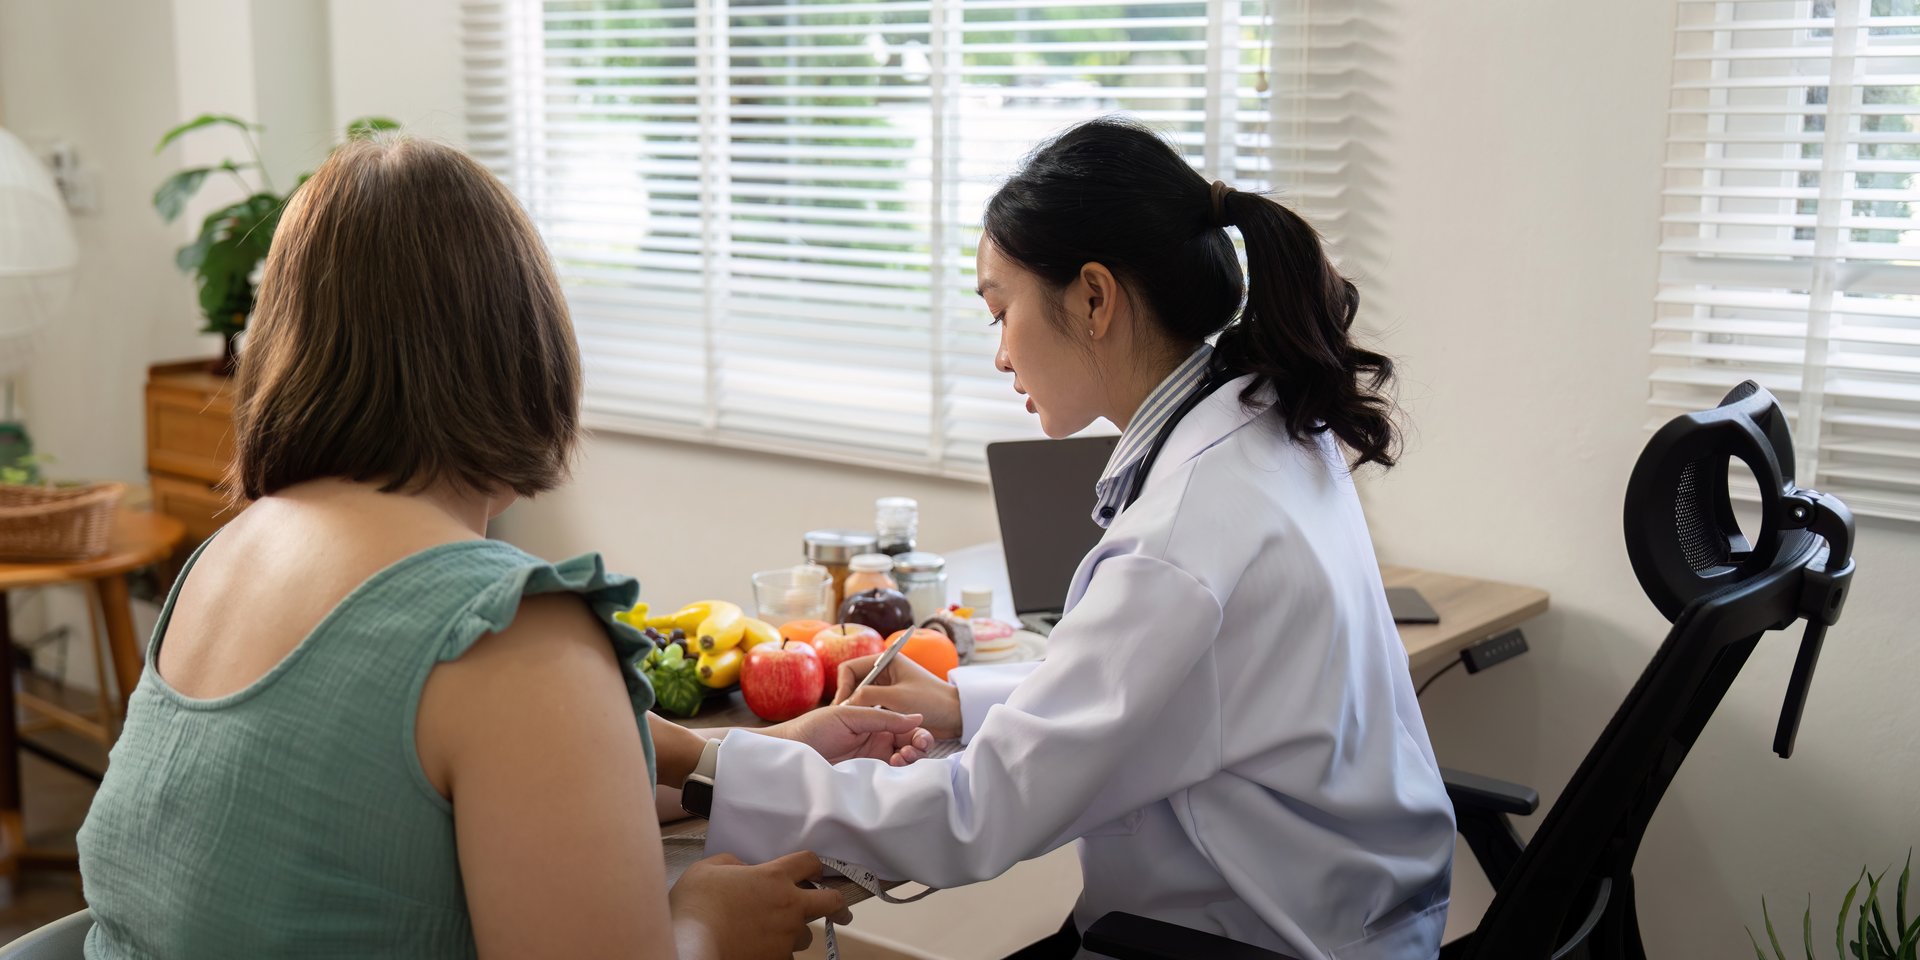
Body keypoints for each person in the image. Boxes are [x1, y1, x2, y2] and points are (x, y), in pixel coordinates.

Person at [76, 133, 931, 960]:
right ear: (521, 352)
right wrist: (703, 930)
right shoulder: (508, 626)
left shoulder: (225, 557)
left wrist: (742, 759)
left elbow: (458, 806)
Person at [690, 119, 1456, 960]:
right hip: (1355, 917)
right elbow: (1167, 683)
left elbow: (974, 816)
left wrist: (704, 767)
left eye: (1000, 310)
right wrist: (963, 702)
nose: (999, 356)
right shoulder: (1270, 427)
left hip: (1251, 940)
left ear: (1094, 298)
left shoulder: (1181, 535)